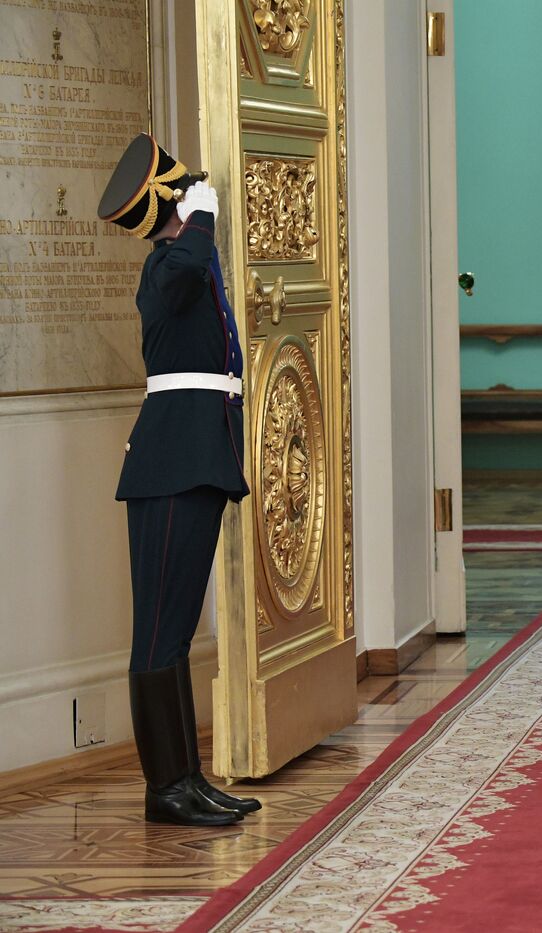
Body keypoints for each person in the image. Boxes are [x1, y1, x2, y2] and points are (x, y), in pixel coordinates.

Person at [98, 133, 260, 825]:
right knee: (158, 634)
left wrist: (198, 215)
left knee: (176, 633)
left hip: (195, 455)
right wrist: (203, 214)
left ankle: (187, 777)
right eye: (184, 188)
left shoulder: (186, 259)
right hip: (170, 464)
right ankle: (163, 786)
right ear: (169, 201)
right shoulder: (166, 267)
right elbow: (193, 261)